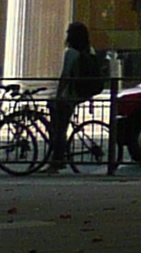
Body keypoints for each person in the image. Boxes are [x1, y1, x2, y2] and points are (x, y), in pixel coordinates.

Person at [48, 21, 111, 170]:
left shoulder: (70, 52)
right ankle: (59, 158)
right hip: (81, 93)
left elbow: (65, 75)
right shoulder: (89, 50)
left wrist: (57, 94)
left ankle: (57, 161)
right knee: (61, 127)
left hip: (70, 94)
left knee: (59, 130)